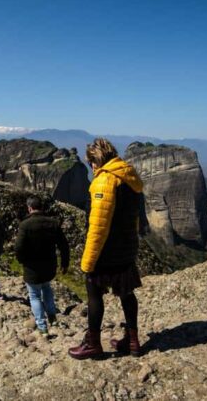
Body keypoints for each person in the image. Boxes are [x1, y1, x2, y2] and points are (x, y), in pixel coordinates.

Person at [68, 138, 145, 359]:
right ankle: (133, 342)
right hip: (127, 247)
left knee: (94, 294)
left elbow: (98, 227)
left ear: (97, 160)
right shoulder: (129, 176)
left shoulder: (105, 181)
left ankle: (93, 343)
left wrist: (88, 262)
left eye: (92, 163)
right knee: (127, 294)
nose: (92, 169)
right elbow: (135, 218)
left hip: (107, 252)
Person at [14, 196, 71, 336]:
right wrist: (65, 263)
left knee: (34, 296)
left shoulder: (25, 225)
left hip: (32, 267)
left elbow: (19, 247)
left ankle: (42, 326)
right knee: (46, 288)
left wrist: (22, 260)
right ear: (42, 207)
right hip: (49, 265)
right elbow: (64, 245)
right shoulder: (53, 223)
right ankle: (52, 317)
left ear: (29, 208)